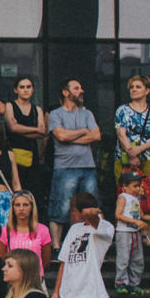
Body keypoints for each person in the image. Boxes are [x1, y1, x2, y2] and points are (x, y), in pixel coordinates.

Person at [45, 79, 101, 245]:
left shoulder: (87, 113)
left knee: (91, 206)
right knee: (61, 207)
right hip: (65, 167)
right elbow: (60, 136)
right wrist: (84, 131)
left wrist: (71, 137)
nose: (81, 91)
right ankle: (56, 246)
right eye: (76, 88)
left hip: (88, 166)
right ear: (65, 92)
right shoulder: (56, 114)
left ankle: (91, 243)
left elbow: (97, 135)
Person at [113, 74, 150, 218]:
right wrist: (131, 153)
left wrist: (139, 150)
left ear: (147, 91)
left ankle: (146, 231)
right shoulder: (122, 110)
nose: (134, 90)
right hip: (124, 158)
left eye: (138, 87)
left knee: (149, 194)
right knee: (126, 194)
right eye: (131, 87)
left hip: (149, 158)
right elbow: (121, 133)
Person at [1, 190, 52, 275]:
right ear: (13, 208)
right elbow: (2, 257)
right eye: (17, 205)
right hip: (13, 279)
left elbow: (46, 261)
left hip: (35, 279)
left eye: (25, 205)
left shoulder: (43, 230)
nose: (21, 209)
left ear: (32, 207)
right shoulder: (5, 230)